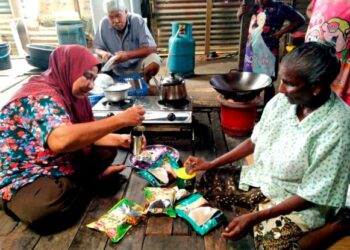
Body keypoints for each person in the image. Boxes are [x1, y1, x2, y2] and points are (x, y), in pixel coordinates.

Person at [184, 42, 350, 249]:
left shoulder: (338, 125)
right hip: (265, 180)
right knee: (206, 182)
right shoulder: (282, 103)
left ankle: (340, 224)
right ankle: (258, 211)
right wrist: (210, 164)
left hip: (301, 200)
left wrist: (255, 218)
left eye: (289, 83)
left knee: (270, 245)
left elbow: (314, 193)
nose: (281, 89)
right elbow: (254, 141)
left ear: (316, 86)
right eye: (281, 79)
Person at [0, 45, 145, 234]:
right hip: (26, 173)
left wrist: (121, 139)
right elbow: (60, 141)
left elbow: (84, 134)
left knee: (107, 150)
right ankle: (88, 184)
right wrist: (120, 120)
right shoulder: (38, 97)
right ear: (68, 68)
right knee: (45, 209)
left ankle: (81, 184)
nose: (91, 84)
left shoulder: (73, 94)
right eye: (86, 76)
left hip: (57, 162)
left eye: (93, 78)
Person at [237, 0, 305, 104]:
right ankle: (252, 108)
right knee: (251, 79)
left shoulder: (280, 7)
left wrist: (281, 32)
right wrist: (240, 14)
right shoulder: (251, 6)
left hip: (268, 50)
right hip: (251, 49)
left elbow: (300, 20)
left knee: (267, 82)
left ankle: (267, 109)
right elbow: (242, 21)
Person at [93, 0, 161, 94]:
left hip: (137, 65)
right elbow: (97, 48)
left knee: (154, 59)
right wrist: (103, 53)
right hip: (116, 68)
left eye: (118, 16)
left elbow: (152, 48)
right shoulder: (103, 24)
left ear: (126, 12)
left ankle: (144, 84)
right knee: (95, 58)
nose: (115, 21)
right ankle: (106, 87)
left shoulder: (137, 20)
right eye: (111, 17)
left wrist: (128, 55)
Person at [305, 0, 350, 106]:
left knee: (337, 97)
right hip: (314, 52)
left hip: (342, 57)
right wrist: (319, 23)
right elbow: (309, 10)